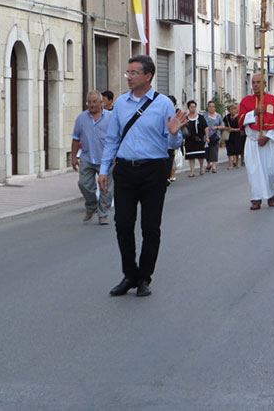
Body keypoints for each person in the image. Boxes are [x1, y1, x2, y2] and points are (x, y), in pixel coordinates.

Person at [99, 55, 188, 297]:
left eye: (133, 73)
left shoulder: (162, 105)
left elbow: (174, 141)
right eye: (128, 72)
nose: (128, 76)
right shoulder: (120, 103)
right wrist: (104, 170)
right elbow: (113, 139)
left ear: (148, 76)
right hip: (126, 170)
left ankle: (144, 277)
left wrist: (173, 133)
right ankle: (129, 274)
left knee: (150, 227)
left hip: (154, 170)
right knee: (123, 224)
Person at [238, 73, 274, 210]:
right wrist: (254, 113)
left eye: (258, 82)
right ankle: (256, 198)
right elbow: (240, 120)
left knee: (272, 171)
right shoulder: (246, 101)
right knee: (254, 171)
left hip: (268, 141)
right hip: (253, 142)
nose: (255, 85)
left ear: (265, 84)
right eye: (253, 82)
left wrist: (267, 137)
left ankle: (271, 194)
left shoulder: (273, 101)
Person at [71, 90, 113, 225]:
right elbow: (75, 139)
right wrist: (73, 157)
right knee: (83, 184)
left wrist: (117, 155)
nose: (91, 105)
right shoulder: (81, 118)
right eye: (89, 102)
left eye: (94, 102)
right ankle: (91, 205)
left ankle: (103, 214)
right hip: (87, 157)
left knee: (105, 189)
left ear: (101, 103)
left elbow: (117, 138)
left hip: (105, 159)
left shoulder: (110, 118)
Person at [184, 100, 208, 177]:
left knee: (200, 155)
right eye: (191, 107)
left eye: (194, 107)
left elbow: (206, 127)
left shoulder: (200, 117)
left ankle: (201, 168)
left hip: (199, 139)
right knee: (191, 156)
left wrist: (206, 137)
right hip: (190, 140)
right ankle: (192, 171)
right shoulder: (186, 118)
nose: (193, 108)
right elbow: (183, 129)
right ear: (188, 108)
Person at [204, 100, 224, 173]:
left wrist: (216, 127)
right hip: (207, 135)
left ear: (215, 108)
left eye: (213, 107)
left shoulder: (218, 116)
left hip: (215, 135)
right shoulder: (205, 115)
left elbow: (223, 126)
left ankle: (214, 166)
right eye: (210, 106)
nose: (211, 108)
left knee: (214, 150)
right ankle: (208, 164)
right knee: (207, 150)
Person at [224, 103, 243, 169]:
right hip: (229, 135)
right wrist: (227, 128)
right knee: (229, 149)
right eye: (231, 109)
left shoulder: (239, 117)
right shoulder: (226, 117)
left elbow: (241, 127)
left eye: (234, 109)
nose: (232, 111)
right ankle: (230, 164)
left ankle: (237, 162)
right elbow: (224, 125)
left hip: (237, 135)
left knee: (237, 149)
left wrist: (234, 129)